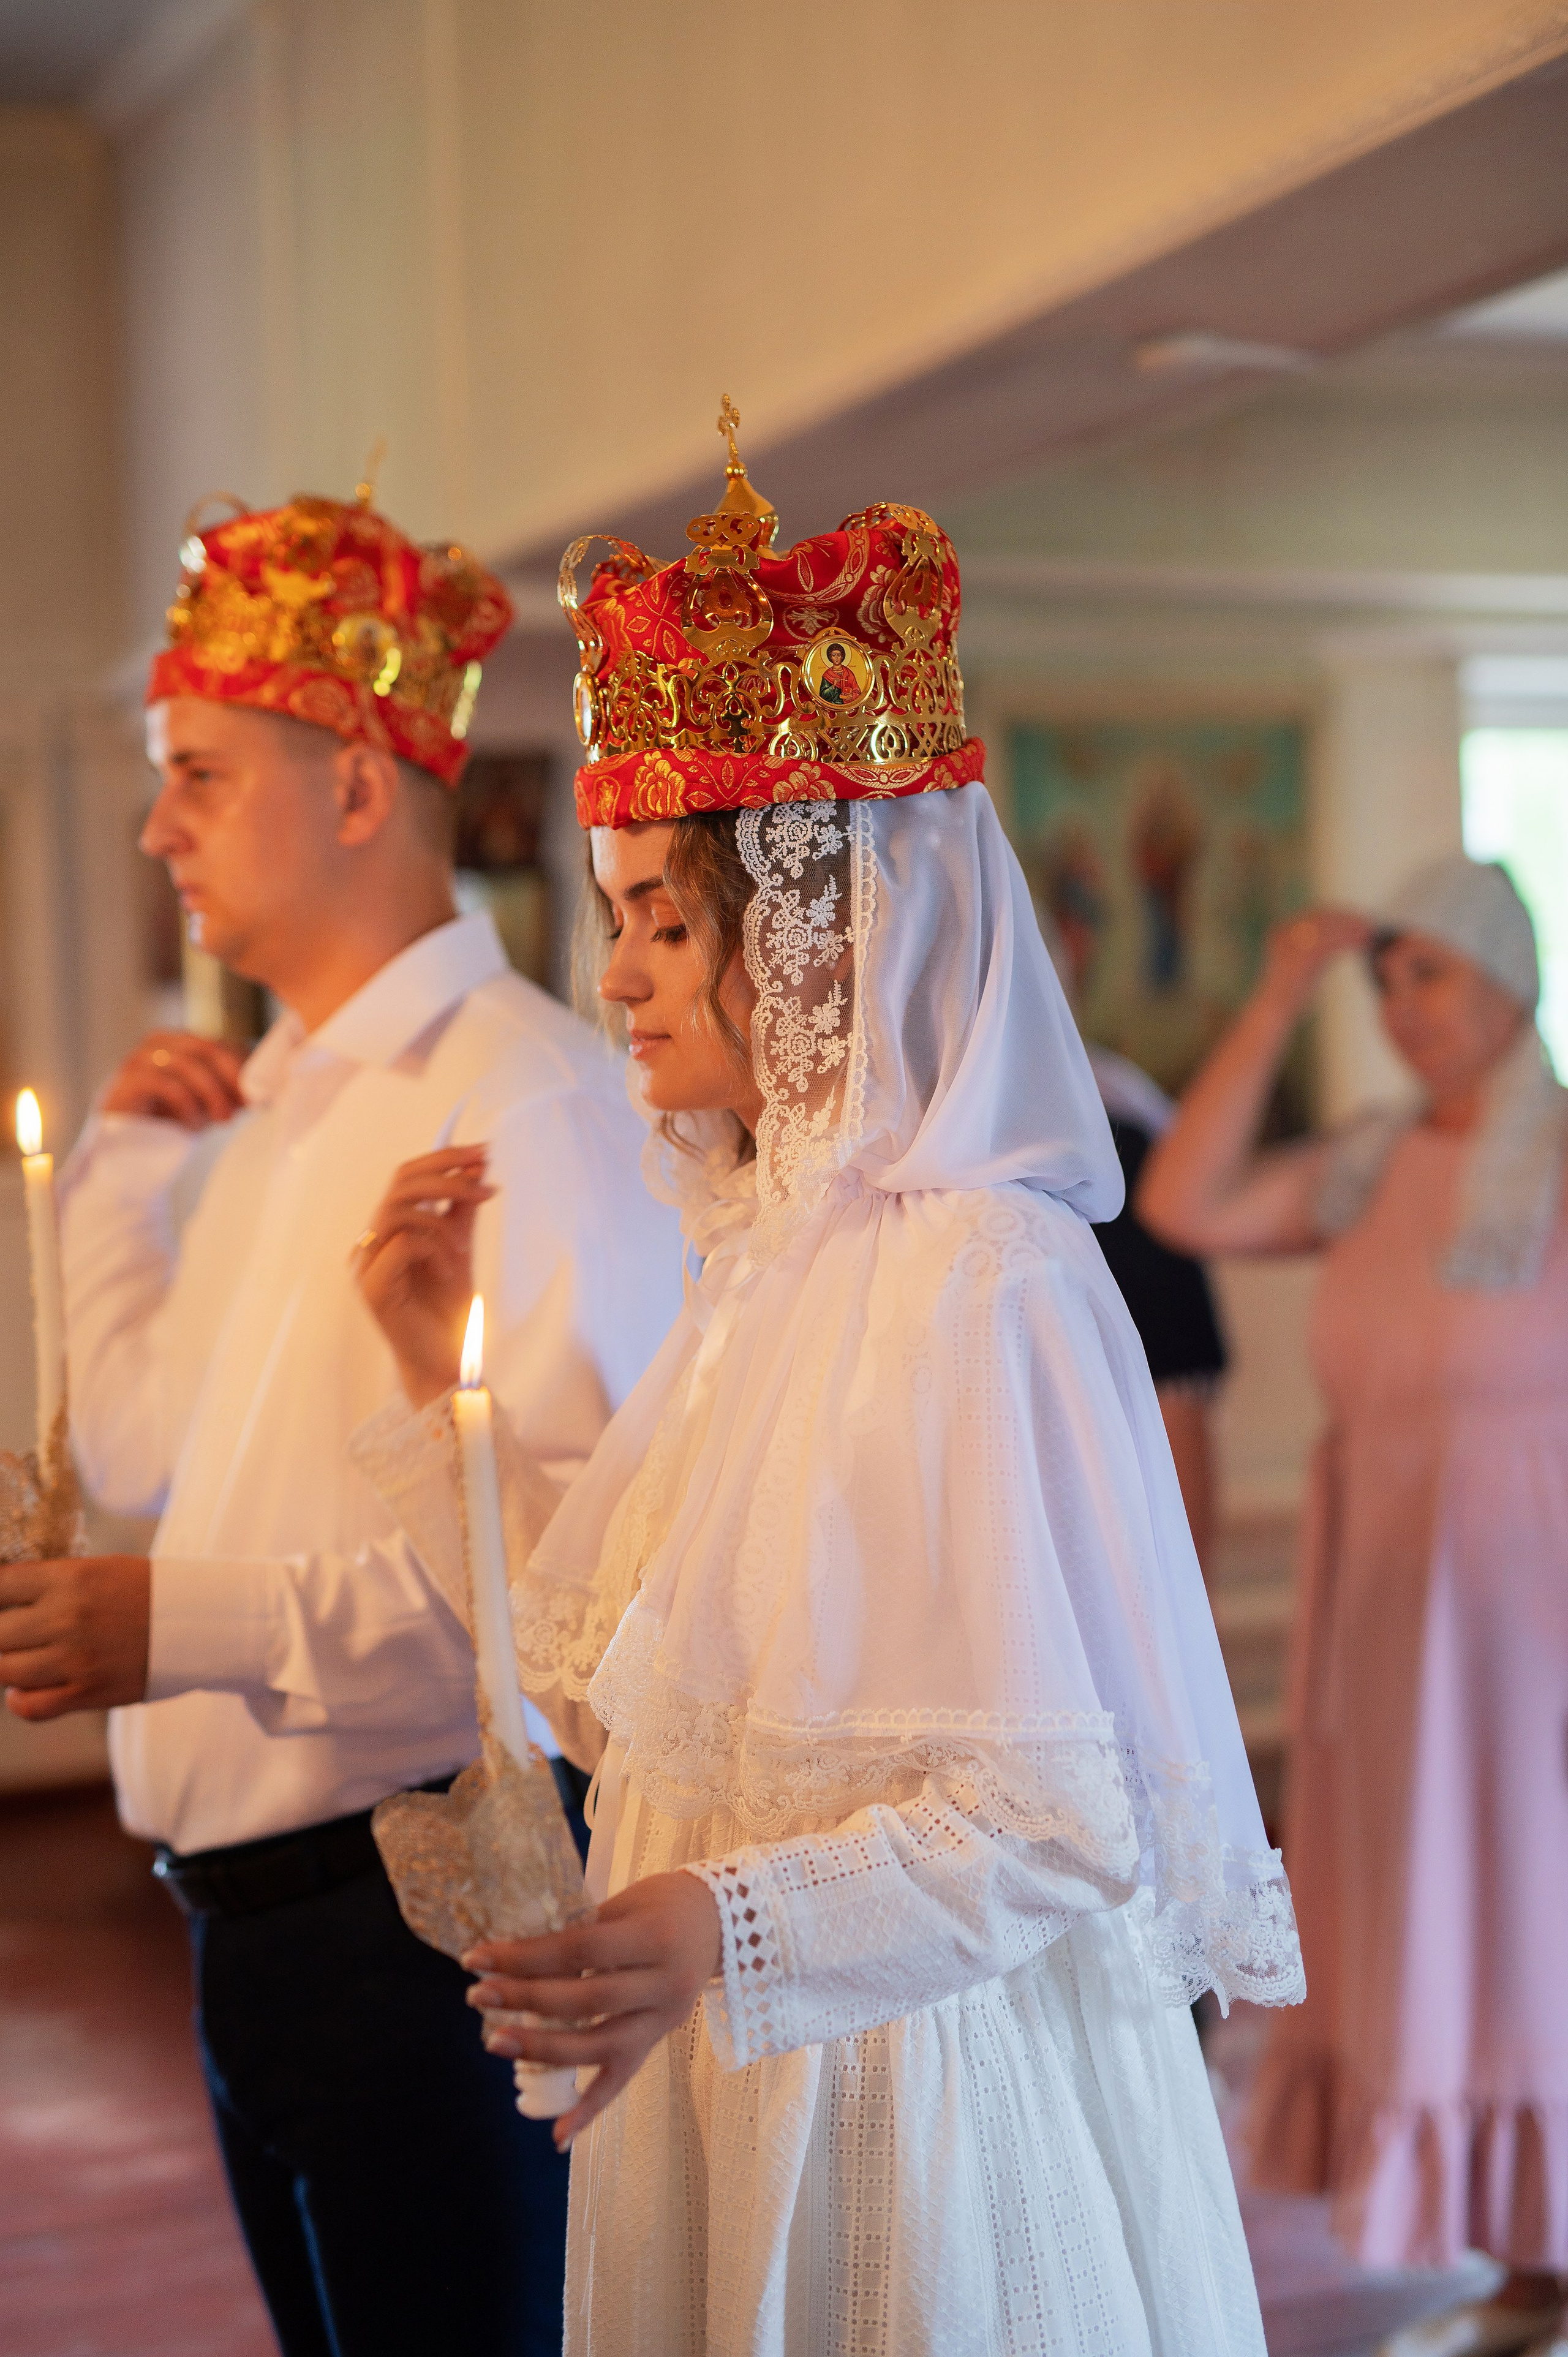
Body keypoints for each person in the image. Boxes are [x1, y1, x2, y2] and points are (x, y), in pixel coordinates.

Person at [350, 424, 1303, 2356]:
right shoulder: (761, 1267)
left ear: (817, 937)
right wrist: (417, 1380)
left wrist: (719, 1931)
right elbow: (619, 1691)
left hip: (910, 2098)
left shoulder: (983, 1274)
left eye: (662, 920)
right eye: (615, 915)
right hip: (736, 2068)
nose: (616, 976)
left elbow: (1047, 1818)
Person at [0, 486, 682, 2357]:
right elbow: (143, 1447)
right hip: (247, 1930)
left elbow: (555, 1610)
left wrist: (177, 1627)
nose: (161, 830)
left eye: (204, 777)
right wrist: (121, 1176)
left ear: (361, 788)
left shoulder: (524, 1107)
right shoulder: (282, 1100)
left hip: (423, 1923)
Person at [1137, 858, 1568, 2351]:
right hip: (1384, 1599)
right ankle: (1518, 2260)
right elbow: (1178, 1202)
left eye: (1426, 971)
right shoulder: (1375, 1160)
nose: (1399, 1008)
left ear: (1509, 978)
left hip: (1531, 1618)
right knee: (1431, 1906)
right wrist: (1272, 993)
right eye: (1381, 980)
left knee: (1530, 1906)